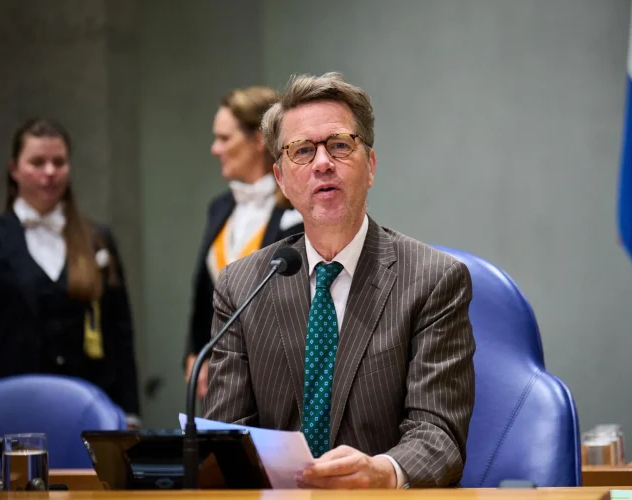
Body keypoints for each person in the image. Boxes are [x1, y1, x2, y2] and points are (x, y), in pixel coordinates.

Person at [203, 73, 475, 488]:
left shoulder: (433, 280)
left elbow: (439, 435)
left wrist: (383, 472)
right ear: (281, 179)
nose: (322, 163)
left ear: (371, 166)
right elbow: (227, 437)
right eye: (302, 150)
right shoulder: (242, 287)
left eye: (340, 145)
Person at [0, 118, 141, 426]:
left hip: (87, 409)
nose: (50, 172)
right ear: (14, 169)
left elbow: (119, 331)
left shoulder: (96, 238)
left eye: (58, 162)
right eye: (37, 162)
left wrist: (130, 413)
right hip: (12, 408)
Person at [184, 86, 304, 398]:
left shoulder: (297, 209)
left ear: (258, 140)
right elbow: (205, 293)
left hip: (277, 378)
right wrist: (196, 352)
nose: (215, 149)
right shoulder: (220, 207)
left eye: (224, 138)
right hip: (220, 376)